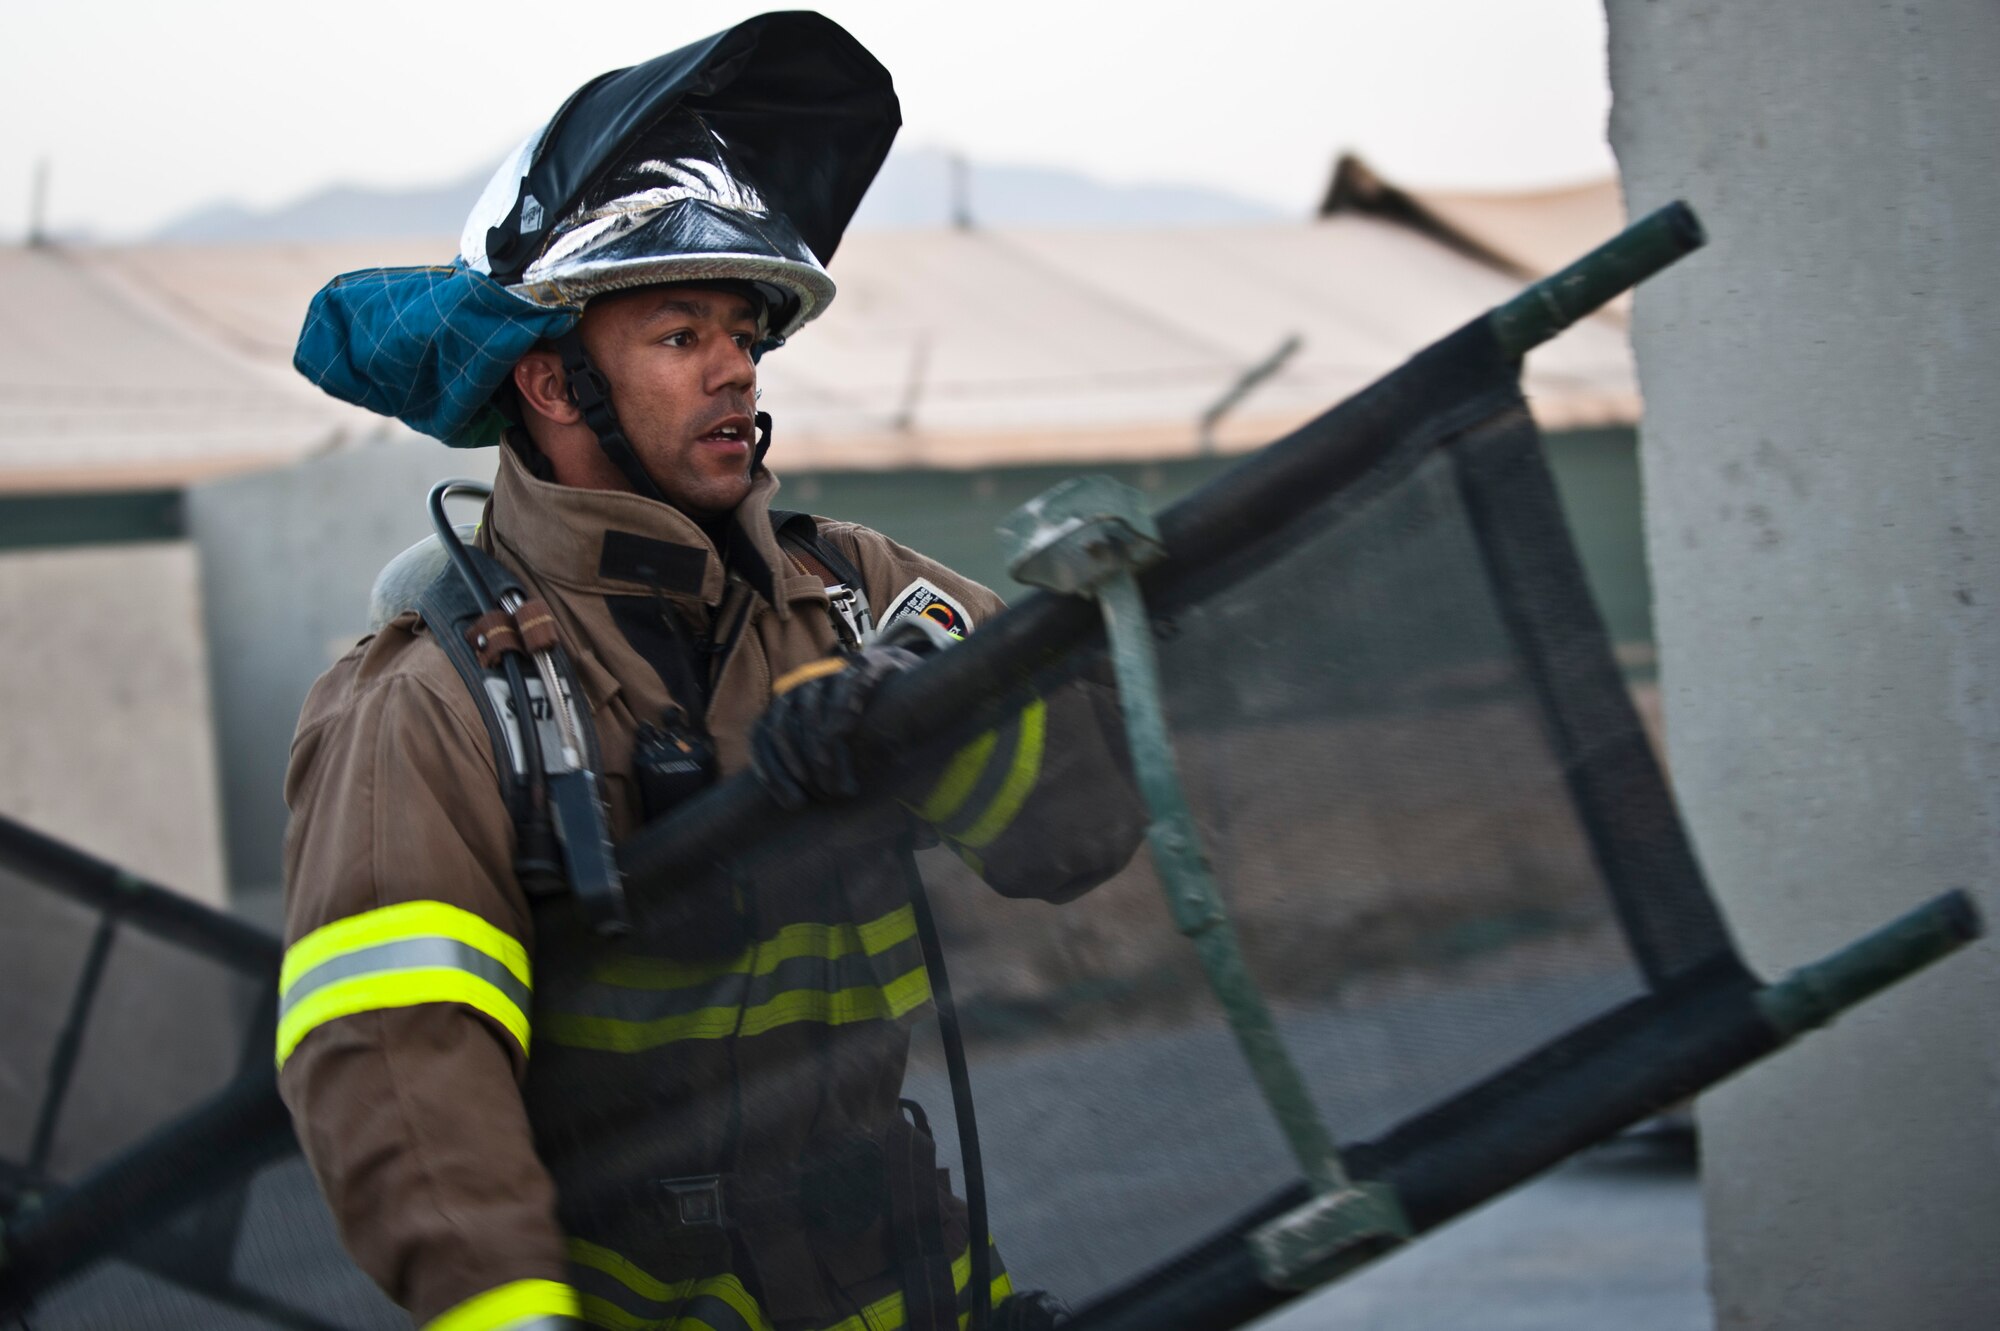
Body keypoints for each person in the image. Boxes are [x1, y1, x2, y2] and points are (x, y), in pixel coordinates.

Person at [277, 15, 1142, 1331]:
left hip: (917, 1286)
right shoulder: (432, 695)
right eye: (681, 333)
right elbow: (401, 1068)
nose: (739, 365)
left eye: (744, 329)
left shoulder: (852, 596)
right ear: (553, 381)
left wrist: (924, 719)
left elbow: (1090, 830)